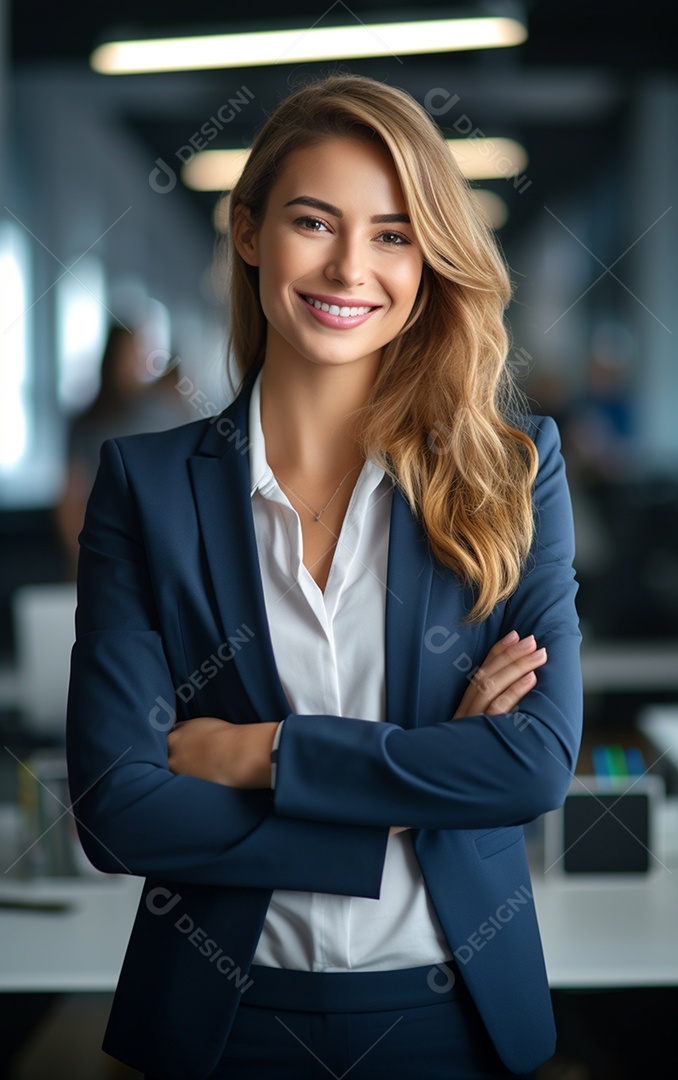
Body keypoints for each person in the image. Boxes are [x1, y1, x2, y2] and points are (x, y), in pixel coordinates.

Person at [66, 74, 582, 1080]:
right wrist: (416, 788)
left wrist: (261, 752)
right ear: (250, 232)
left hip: (454, 1016)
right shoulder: (146, 487)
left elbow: (531, 768)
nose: (353, 266)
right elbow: (117, 811)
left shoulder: (513, 471)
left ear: (431, 257)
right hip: (221, 1018)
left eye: (394, 234)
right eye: (316, 221)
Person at [55, 325, 190, 575]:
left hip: (156, 549)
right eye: (132, 352)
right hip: (105, 543)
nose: (138, 361)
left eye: (142, 353)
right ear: (112, 357)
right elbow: (70, 497)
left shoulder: (163, 410)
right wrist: (80, 554)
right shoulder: (88, 421)